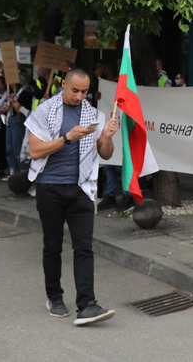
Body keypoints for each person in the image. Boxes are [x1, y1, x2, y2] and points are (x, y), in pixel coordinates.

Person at [25, 69, 120, 326]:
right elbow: (35, 151)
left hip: (81, 189)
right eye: (75, 90)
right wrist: (67, 138)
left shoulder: (95, 115)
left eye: (84, 91)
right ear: (63, 85)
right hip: (50, 188)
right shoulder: (44, 111)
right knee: (53, 245)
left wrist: (108, 137)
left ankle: (87, 304)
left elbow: (106, 154)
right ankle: (54, 297)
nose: (79, 96)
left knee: (84, 247)